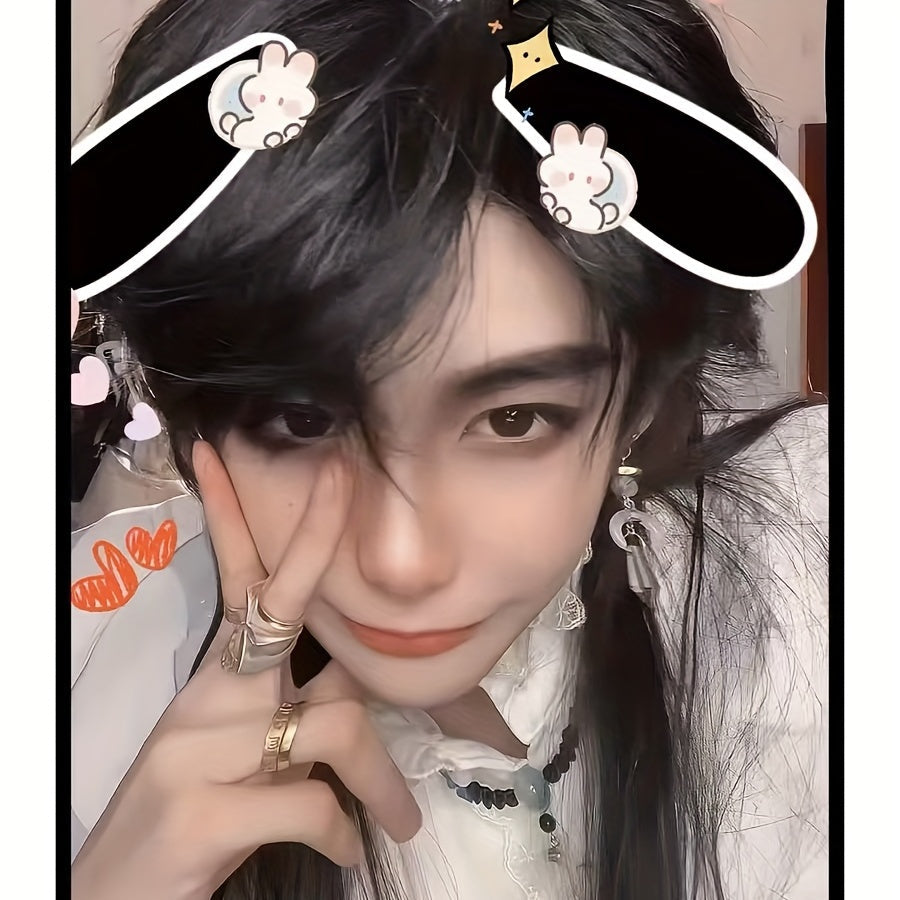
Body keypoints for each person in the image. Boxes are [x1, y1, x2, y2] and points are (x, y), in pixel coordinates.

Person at [70, 1, 828, 899]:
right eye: (300, 421)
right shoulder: (91, 689)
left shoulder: (819, 576)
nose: (400, 561)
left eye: (514, 420)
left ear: (638, 402)